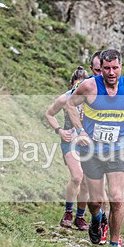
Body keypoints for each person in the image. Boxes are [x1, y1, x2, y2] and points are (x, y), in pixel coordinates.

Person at [64, 49, 124, 247]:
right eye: (106, 68)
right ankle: (96, 218)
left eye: (115, 68)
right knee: (96, 201)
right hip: (92, 151)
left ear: (121, 67)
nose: (111, 72)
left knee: (117, 198)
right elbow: (70, 105)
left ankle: (114, 244)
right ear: (101, 69)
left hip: (117, 149)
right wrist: (80, 131)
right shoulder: (88, 86)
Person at [44, 66, 90, 230]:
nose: (78, 89)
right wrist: (59, 130)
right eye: (76, 85)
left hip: (87, 143)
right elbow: (49, 114)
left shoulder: (92, 99)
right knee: (77, 177)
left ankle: (80, 217)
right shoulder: (64, 99)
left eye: (82, 86)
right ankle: (68, 212)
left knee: (86, 182)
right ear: (71, 84)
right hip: (69, 141)